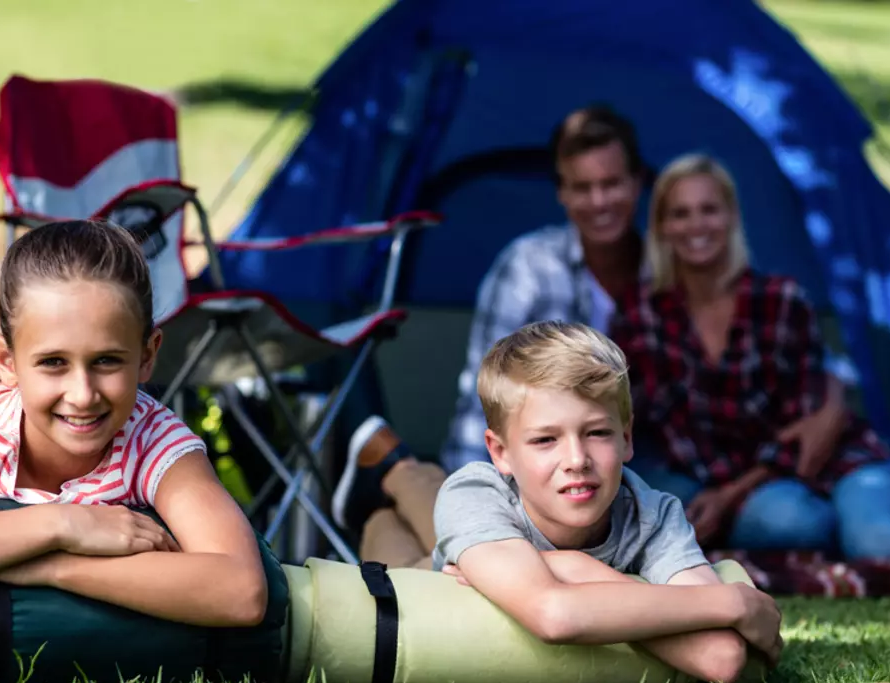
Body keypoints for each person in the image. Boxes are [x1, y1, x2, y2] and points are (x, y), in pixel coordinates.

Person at [332, 105, 847, 567]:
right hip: (536, 463)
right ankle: (400, 478)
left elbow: (756, 332)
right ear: (561, 193)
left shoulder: (669, 267)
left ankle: (386, 492)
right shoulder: (529, 269)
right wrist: (483, 487)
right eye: (582, 187)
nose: (599, 201)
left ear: (637, 184)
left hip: (633, 460)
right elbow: (488, 399)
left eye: (612, 184)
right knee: (474, 564)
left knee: (472, 572)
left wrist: (834, 397)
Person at [612, 152, 890, 562]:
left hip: (830, 460)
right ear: (662, 227)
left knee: (885, 546)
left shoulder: (779, 299)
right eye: (680, 213)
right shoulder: (641, 316)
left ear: (731, 217)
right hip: (755, 485)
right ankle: (845, 531)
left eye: (709, 210)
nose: (696, 225)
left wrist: (728, 497)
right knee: (790, 522)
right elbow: (631, 416)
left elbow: (805, 438)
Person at [0, 220, 269, 627]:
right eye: (53, 363)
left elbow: (241, 592)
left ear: (147, 355)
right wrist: (60, 524)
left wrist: (50, 566)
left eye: (107, 361)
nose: (82, 394)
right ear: (7, 360)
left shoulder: (152, 441)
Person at [428, 320, 783, 683]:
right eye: (546, 440)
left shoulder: (652, 515)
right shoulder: (475, 494)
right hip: (429, 554)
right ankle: (398, 472)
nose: (577, 459)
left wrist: (568, 568)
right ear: (500, 452)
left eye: (597, 433)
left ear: (626, 438)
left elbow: (720, 656)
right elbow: (553, 616)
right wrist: (735, 603)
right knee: (404, 535)